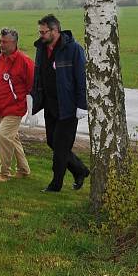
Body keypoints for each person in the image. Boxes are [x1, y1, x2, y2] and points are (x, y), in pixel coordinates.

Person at [30, 14, 90, 192]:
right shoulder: (41, 48)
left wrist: (82, 105)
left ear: (55, 30)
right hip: (50, 104)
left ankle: (55, 184)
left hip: (68, 107)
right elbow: (38, 75)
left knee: (61, 147)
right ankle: (80, 170)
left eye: (44, 32)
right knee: (52, 142)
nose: (41, 35)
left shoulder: (73, 49)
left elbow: (81, 78)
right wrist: (33, 96)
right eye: (40, 31)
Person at [0, 27, 34, 182]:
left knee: (3, 137)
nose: (1, 45)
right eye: (0, 41)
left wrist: (32, 112)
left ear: (14, 42)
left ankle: (4, 173)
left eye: (4, 42)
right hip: (0, 109)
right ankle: (24, 169)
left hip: (15, 109)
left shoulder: (25, 62)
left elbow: (32, 89)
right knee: (12, 138)